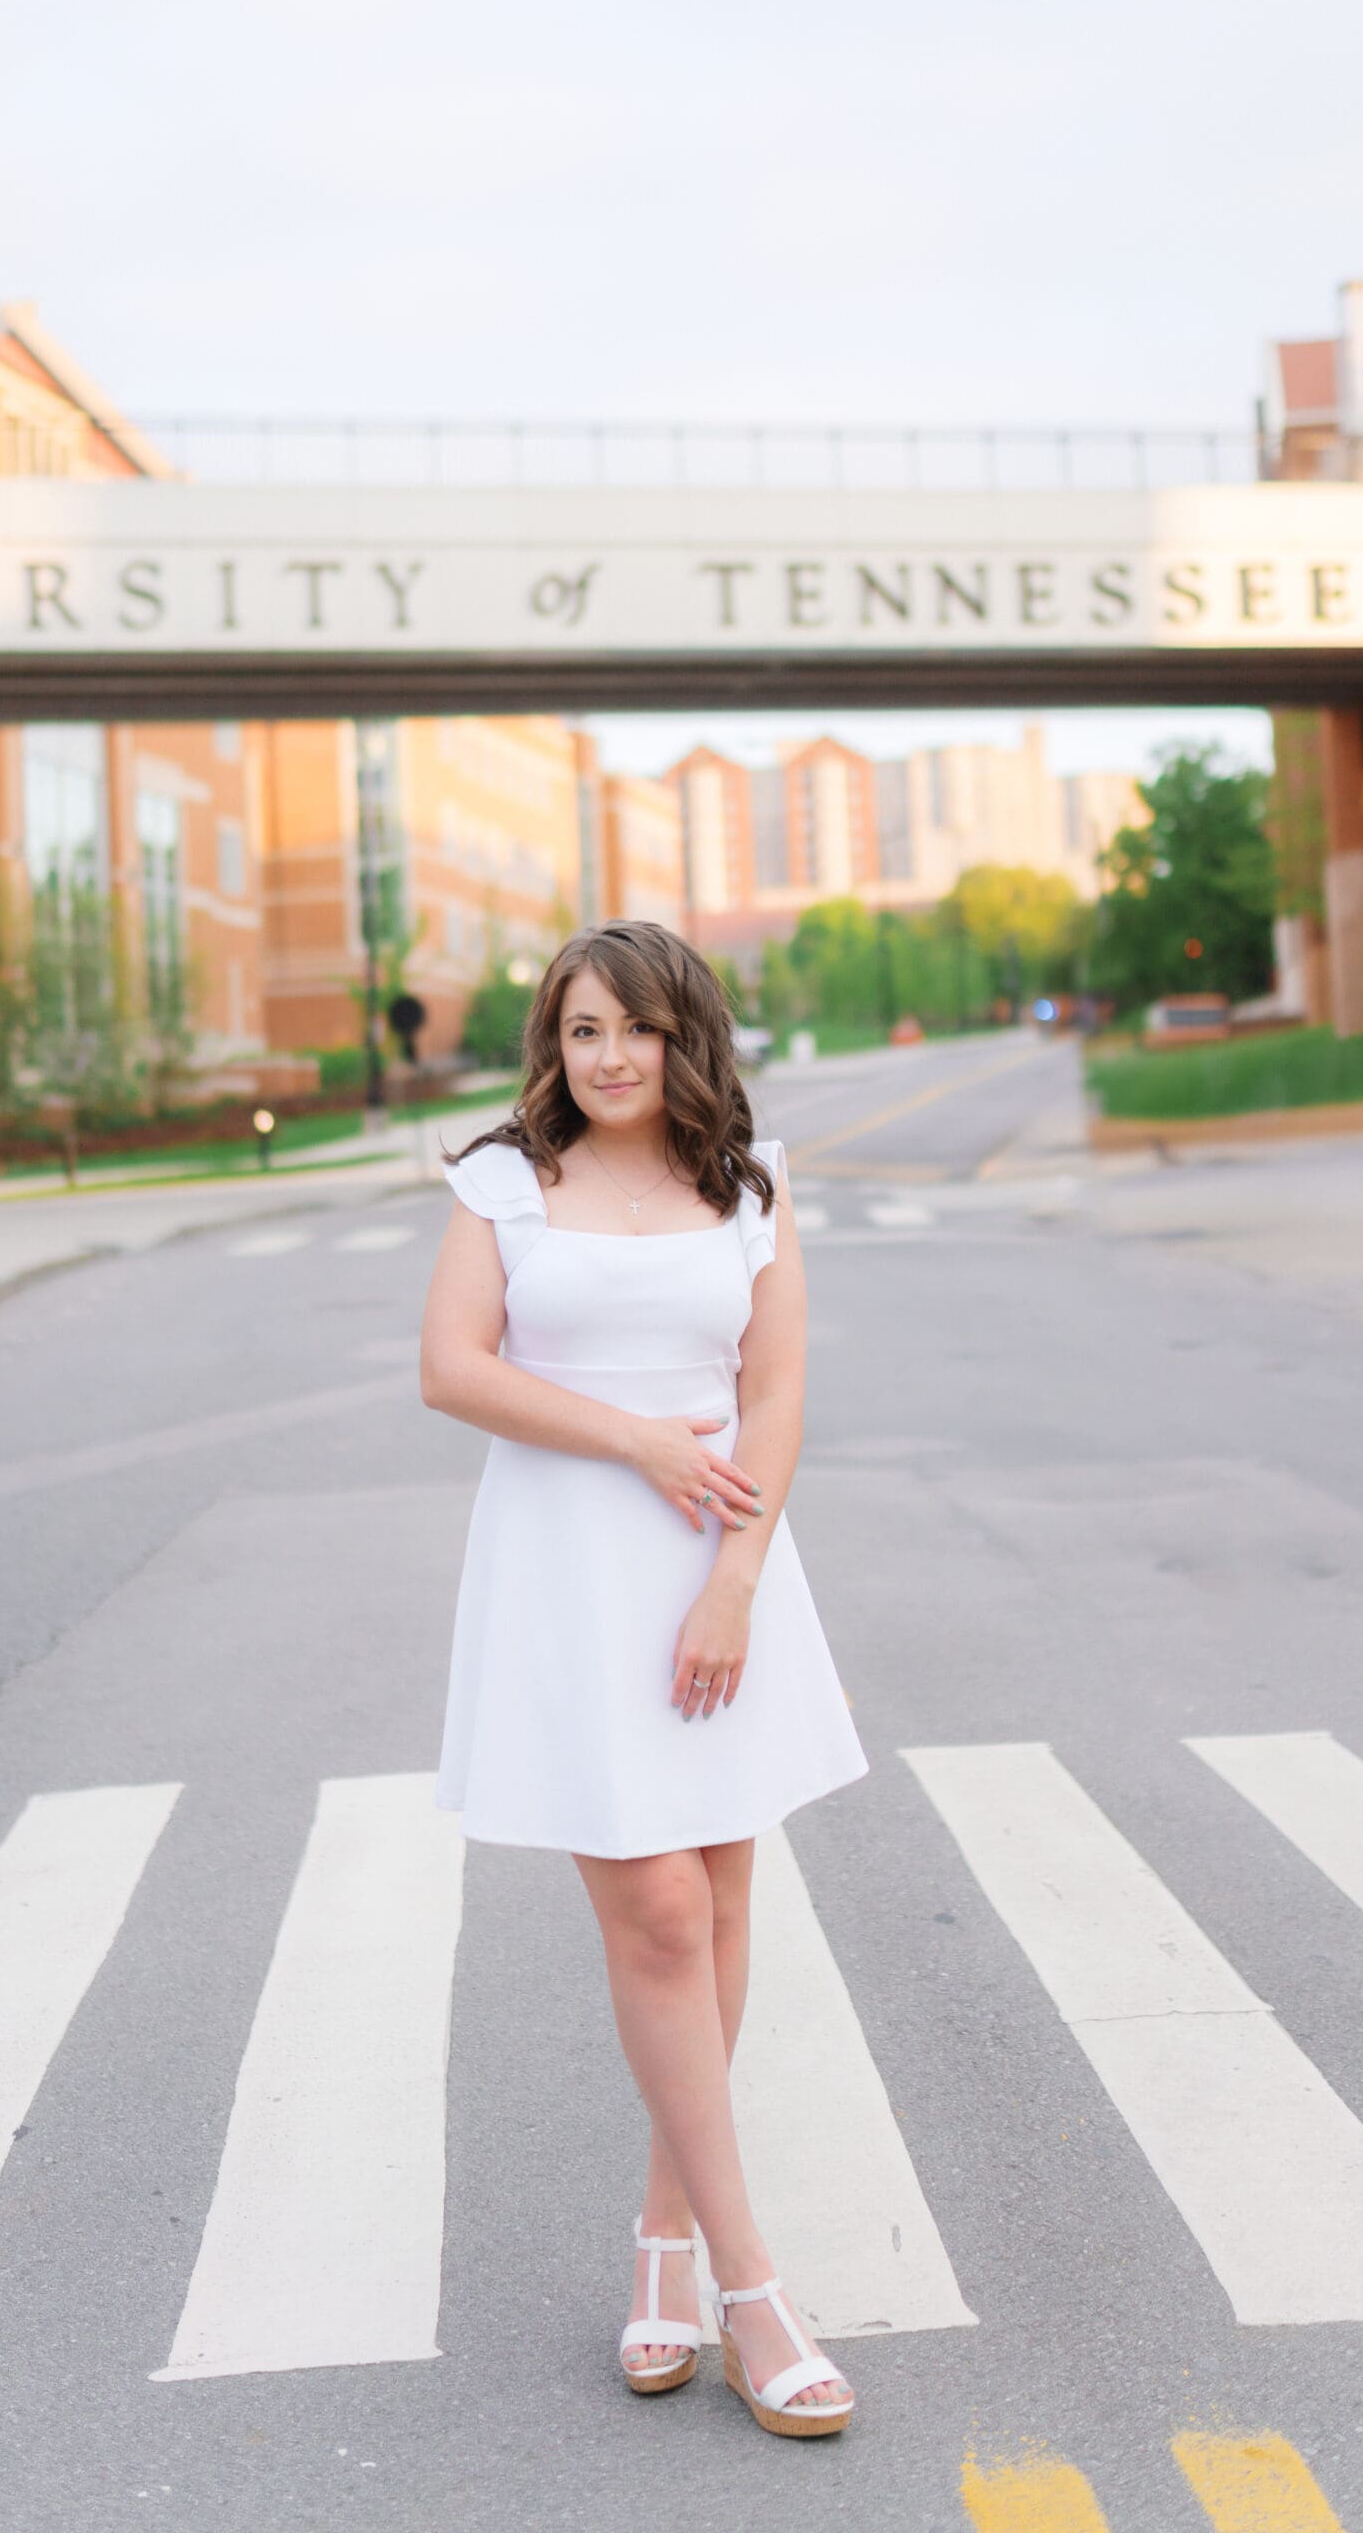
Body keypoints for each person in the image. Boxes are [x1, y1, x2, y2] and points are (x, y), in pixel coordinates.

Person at [420, 920, 868, 2438]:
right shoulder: (503, 1182)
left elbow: (780, 1385)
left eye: (637, 1030)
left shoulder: (747, 1183)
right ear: (553, 1041)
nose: (607, 1057)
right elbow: (452, 1367)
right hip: (568, 1567)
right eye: (581, 1028)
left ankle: (665, 2239)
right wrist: (639, 1442)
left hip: (716, 1572)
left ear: (689, 1037)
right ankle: (752, 2284)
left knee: (725, 1899)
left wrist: (736, 1578)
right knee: (660, 1910)